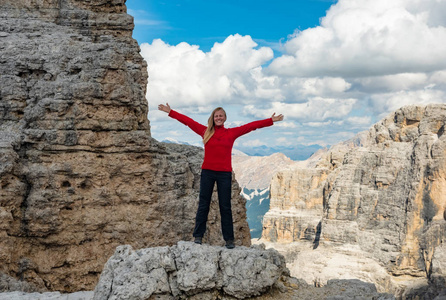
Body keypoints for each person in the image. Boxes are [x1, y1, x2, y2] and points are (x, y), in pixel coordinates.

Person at [158, 103, 284, 249]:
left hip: (224, 174)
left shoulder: (231, 133)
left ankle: (229, 240)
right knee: (203, 205)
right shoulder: (205, 131)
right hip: (207, 173)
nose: (218, 118)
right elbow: (188, 122)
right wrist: (170, 112)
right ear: (213, 118)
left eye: (221, 116)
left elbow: (250, 126)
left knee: (225, 207)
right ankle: (198, 237)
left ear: (224, 118)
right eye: (216, 116)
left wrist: (270, 120)